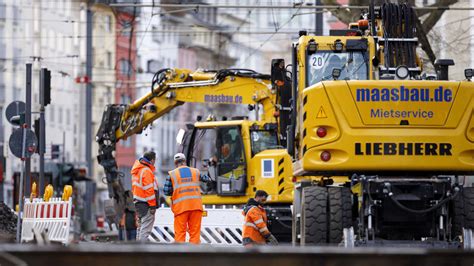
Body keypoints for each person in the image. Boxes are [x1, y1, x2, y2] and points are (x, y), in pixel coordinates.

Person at [164, 153, 210, 244]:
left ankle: (181, 256)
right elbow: (207, 179)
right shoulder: (195, 172)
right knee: (195, 234)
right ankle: (194, 255)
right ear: (185, 161)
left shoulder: (172, 174)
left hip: (181, 208)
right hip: (196, 207)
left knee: (180, 234)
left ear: (175, 163)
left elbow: (166, 191)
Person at [130, 151, 159, 241]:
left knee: (140, 227)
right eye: (155, 160)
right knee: (145, 229)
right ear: (152, 160)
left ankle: (138, 250)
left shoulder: (138, 170)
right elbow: (149, 190)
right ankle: (142, 250)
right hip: (146, 204)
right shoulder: (146, 171)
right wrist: (152, 206)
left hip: (138, 203)